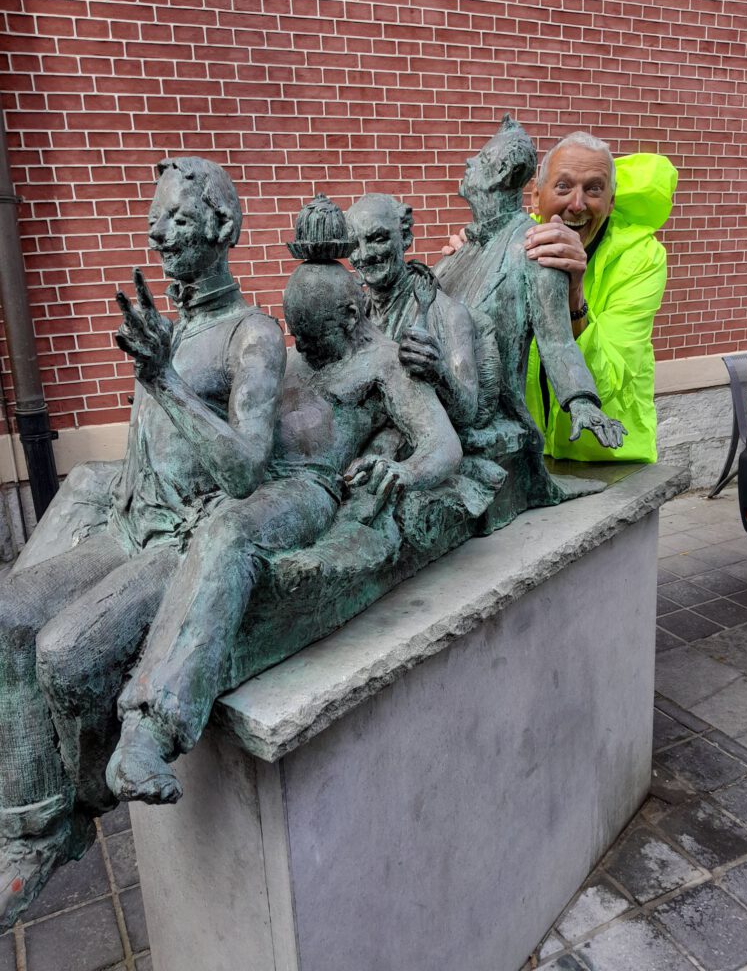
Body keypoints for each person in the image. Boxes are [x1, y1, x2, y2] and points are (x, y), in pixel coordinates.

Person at [0, 156, 287, 928]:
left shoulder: (254, 334)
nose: (159, 236)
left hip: (181, 541)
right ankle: (30, 828)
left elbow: (246, 469)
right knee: (7, 618)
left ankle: (72, 814)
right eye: (156, 220)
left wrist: (163, 378)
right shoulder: (172, 320)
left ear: (223, 228)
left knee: (63, 654)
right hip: (128, 525)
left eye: (179, 221)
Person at [103, 258, 462, 808]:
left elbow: (443, 444)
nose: (303, 347)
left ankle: (152, 728)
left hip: (305, 491)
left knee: (229, 533)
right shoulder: (289, 359)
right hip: (250, 481)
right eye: (298, 334)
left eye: (314, 335)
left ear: (350, 316)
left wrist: (404, 470)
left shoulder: (386, 364)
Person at [444, 130, 678, 462]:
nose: (577, 204)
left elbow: (602, 377)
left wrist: (573, 292)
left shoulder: (641, 259)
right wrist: (469, 266)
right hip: (526, 452)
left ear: (611, 202)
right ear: (536, 197)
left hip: (604, 456)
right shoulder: (518, 246)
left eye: (594, 189)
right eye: (563, 187)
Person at [432, 115, 626, 491]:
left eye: (482, 158)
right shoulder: (459, 253)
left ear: (502, 173)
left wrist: (582, 402)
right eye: (564, 186)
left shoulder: (537, 251)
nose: (469, 162)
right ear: (535, 193)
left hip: (491, 433)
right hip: (443, 417)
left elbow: (557, 341)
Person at [346, 193, 481, 428]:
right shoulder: (353, 318)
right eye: (354, 245)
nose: (365, 255)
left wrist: (438, 372)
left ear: (405, 236)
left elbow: (468, 411)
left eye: (378, 239)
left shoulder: (448, 314)